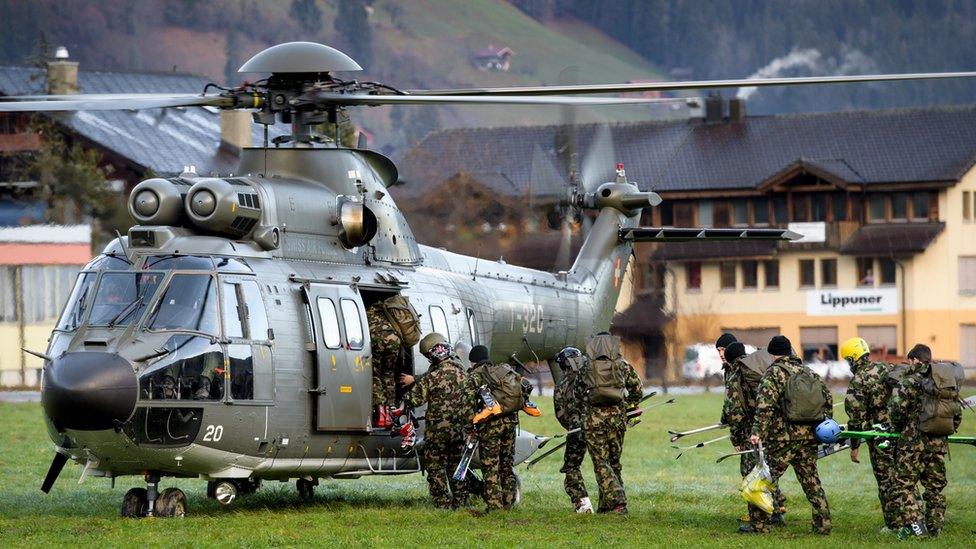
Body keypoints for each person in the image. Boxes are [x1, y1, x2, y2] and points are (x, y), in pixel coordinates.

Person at [749, 335, 832, 535]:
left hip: (782, 440)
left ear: (772, 354)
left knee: (765, 479)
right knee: (812, 482)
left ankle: (760, 525)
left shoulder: (774, 373)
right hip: (809, 437)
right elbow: (827, 402)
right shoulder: (810, 372)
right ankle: (823, 525)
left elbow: (765, 406)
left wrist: (757, 432)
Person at [888, 344, 964, 539]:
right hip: (939, 441)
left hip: (913, 440)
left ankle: (917, 530)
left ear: (914, 360)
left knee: (904, 483)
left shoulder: (910, 380)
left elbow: (897, 411)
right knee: (935, 486)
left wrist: (898, 428)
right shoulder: (945, 380)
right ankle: (935, 530)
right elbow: (957, 413)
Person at [465, 345, 538, 511]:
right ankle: (509, 501)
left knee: (491, 466)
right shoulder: (503, 371)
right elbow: (525, 388)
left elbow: (467, 402)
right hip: (511, 423)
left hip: (491, 427)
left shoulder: (476, 376)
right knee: (506, 465)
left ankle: (494, 507)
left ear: (472, 361)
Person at [576, 332, 642, 514]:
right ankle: (608, 507)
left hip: (593, 420)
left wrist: (586, 409)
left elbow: (577, 394)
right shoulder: (622, 365)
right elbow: (637, 389)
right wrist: (628, 405)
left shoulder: (586, 367)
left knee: (600, 462)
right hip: (617, 419)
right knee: (614, 462)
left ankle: (617, 501)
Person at [401, 332, 469, 509]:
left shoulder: (432, 377)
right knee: (457, 466)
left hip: (437, 432)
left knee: (435, 465)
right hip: (460, 431)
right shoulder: (464, 374)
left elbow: (414, 399)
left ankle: (443, 503)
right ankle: (461, 501)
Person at [722, 342, 785, 531]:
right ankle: (776, 512)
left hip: (751, 435)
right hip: (773, 429)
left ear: (731, 359)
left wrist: (735, 438)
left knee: (752, 475)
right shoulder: (760, 368)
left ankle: (758, 522)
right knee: (767, 471)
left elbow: (734, 413)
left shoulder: (737, 375)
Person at [840, 337, 896, 531]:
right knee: (904, 475)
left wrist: (854, 445)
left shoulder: (859, 380)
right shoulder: (887, 368)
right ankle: (915, 518)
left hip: (879, 435)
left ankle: (894, 524)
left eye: (848, 360)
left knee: (886, 479)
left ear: (853, 358)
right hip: (900, 431)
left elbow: (855, 418)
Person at [553, 346, 592, 513]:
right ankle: (615, 504)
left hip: (577, 431)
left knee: (571, 466)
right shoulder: (593, 375)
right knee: (607, 465)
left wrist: (572, 426)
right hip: (601, 426)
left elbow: (560, 413)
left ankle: (582, 503)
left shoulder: (563, 383)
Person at [367, 299, 402, 428]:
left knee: (375, 374)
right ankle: (390, 413)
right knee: (388, 374)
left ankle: (380, 413)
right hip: (394, 340)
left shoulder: (368, 312)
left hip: (377, 340)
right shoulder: (387, 312)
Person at [716, 332, 738, 427]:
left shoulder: (743, 368)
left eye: (723, 350)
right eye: (718, 351)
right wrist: (724, 418)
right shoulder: (728, 369)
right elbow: (729, 398)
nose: (721, 354)